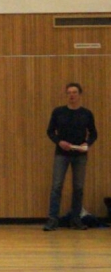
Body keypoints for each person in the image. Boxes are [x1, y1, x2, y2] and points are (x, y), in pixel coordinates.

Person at [44, 82, 98, 231]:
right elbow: (50, 131)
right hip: (61, 154)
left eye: (74, 92)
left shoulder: (86, 113)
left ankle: (76, 219)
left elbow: (94, 133)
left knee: (78, 187)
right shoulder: (58, 112)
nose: (71, 95)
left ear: (79, 95)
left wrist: (87, 143)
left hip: (80, 155)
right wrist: (59, 142)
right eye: (69, 92)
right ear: (66, 95)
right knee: (56, 186)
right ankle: (52, 220)